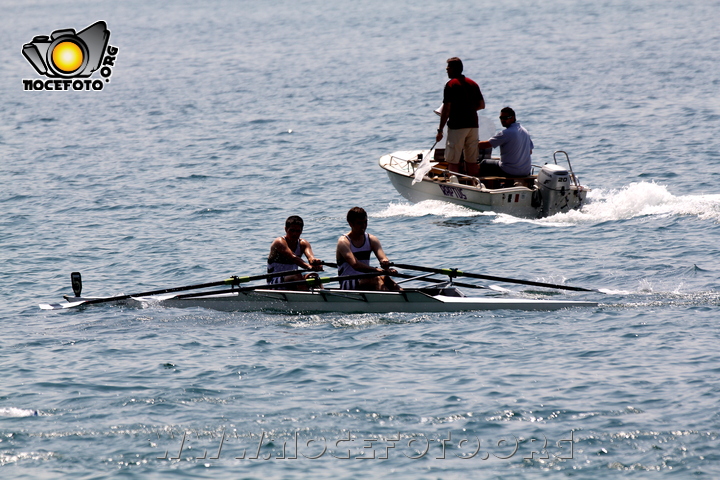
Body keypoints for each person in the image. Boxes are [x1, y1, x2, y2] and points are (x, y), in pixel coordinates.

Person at [436, 57, 485, 176]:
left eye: (448, 68)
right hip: (473, 126)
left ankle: (454, 187)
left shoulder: (451, 85)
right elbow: (481, 105)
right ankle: (474, 185)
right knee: (472, 160)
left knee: (453, 160)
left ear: (454, 69)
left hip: (457, 127)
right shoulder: (473, 83)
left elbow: (446, 109)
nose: (446, 70)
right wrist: (468, 109)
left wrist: (440, 130)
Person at [336, 207, 400, 291]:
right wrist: (377, 270)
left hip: (366, 279)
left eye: (365, 222)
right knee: (377, 279)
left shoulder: (372, 239)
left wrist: (386, 265)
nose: (363, 226)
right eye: (359, 223)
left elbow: (383, 258)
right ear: (350, 224)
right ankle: (390, 301)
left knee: (387, 279)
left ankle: (407, 299)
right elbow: (356, 265)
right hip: (348, 282)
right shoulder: (343, 242)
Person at [267, 216, 323, 289]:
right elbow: (294, 258)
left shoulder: (303, 243)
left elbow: (311, 258)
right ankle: (306, 297)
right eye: (292, 230)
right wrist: (309, 267)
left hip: (292, 279)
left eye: (298, 231)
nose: (295, 234)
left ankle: (324, 296)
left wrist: (316, 263)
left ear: (301, 231)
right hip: (275, 282)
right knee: (297, 275)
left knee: (313, 276)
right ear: (286, 229)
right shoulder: (279, 242)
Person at [477, 107, 534, 177]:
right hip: (525, 171)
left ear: (512, 118)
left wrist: (470, 142)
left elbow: (485, 145)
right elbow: (530, 152)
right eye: (501, 118)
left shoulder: (506, 133)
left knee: (484, 164)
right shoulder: (525, 131)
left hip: (509, 171)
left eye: (505, 118)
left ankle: (489, 186)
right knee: (497, 162)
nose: (503, 120)